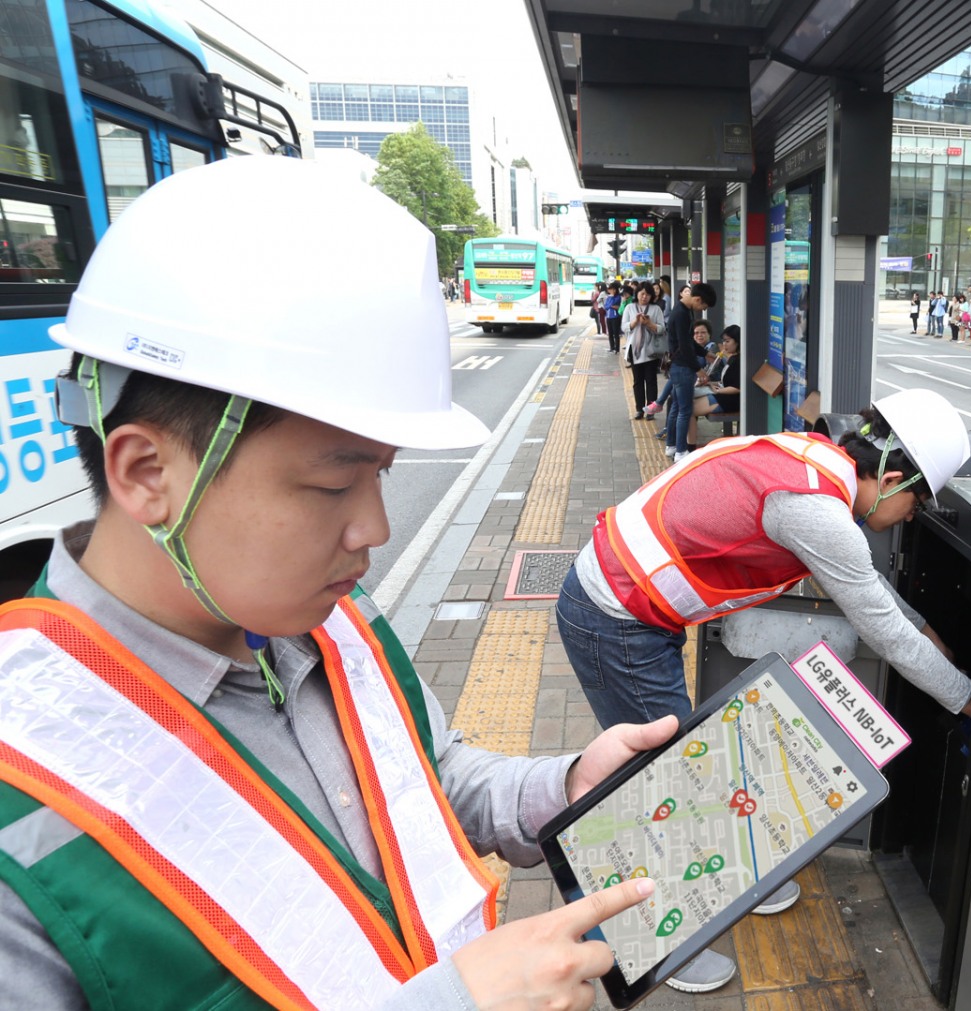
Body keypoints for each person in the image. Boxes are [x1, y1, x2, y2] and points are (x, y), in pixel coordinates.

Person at [0, 157, 678, 1011]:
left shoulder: (328, 620)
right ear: (145, 470)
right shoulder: (22, 797)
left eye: (383, 477)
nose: (375, 530)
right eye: (332, 484)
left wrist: (566, 785)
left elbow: (429, 780)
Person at [554, 387, 971, 993]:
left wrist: (927, 629)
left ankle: (732, 880)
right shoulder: (818, 514)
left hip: (633, 603)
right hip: (616, 618)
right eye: (917, 503)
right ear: (894, 476)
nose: (912, 516)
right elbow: (881, 627)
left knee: (692, 760)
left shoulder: (811, 459)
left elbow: (871, 592)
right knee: (664, 784)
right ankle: (656, 943)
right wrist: (968, 698)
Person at [664, 282, 716, 462]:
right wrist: (699, 369)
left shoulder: (684, 310)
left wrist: (705, 352)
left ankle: (671, 446)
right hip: (683, 367)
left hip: (679, 366)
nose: (702, 309)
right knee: (685, 410)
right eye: (703, 306)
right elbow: (685, 346)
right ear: (697, 299)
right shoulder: (681, 314)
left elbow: (688, 342)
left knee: (677, 407)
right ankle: (680, 452)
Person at [681, 325, 741, 451]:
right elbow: (727, 380)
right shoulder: (731, 358)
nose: (724, 345)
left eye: (728, 341)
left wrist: (718, 390)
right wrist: (713, 384)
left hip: (730, 400)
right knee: (686, 404)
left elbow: (738, 387)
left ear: (737, 341)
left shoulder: (739, 361)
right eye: (723, 341)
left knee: (689, 409)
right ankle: (688, 445)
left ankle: (690, 447)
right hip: (723, 394)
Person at [623, 283, 666, 419]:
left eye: (647, 294)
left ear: (651, 296)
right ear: (637, 294)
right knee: (638, 381)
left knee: (651, 380)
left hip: (651, 350)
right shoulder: (630, 308)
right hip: (634, 350)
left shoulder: (656, 309)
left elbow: (662, 329)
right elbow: (624, 327)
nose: (644, 297)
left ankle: (651, 410)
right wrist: (635, 322)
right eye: (642, 293)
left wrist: (649, 324)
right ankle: (639, 409)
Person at [604, 281, 623, 353]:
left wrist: (611, 305)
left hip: (615, 317)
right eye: (610, 289)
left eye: (611, 289)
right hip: (608, 317)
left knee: (616, 333)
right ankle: (612, 347)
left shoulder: (618, 297)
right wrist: (612, 306)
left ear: (615, 289)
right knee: (610, 333)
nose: (610, 290)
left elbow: (612, 303)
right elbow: (606, 306)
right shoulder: (608, 297)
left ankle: (617, 348)